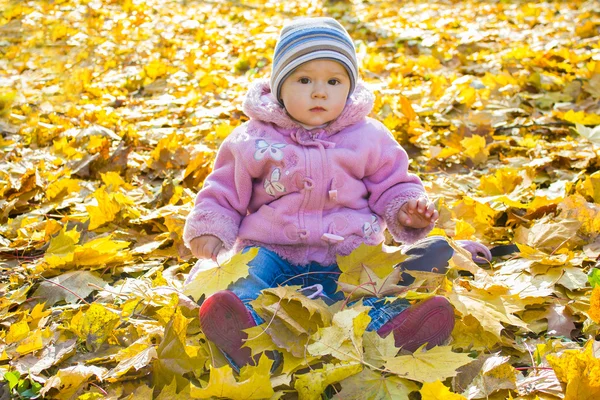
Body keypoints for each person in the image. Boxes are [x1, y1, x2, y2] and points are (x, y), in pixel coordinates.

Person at [183, 17, 483, 372]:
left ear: (349, 87)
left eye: (334, 81)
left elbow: (394, 184)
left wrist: (406, 210)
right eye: (304, 79)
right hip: (272, 251)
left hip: (348, 255)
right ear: (280, 87)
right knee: (246, 278)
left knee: (368, 292)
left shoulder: (368, 137)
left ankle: (389, 331)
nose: (319, 92)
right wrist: (210, 229)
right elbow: (223, 191)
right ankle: (249, 333)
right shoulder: (253, 140)